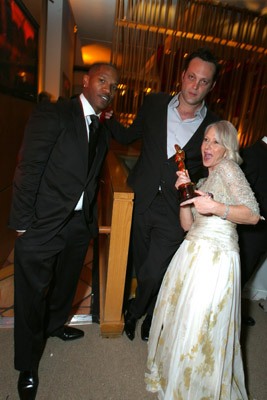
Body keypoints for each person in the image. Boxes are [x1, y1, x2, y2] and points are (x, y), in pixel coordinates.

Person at [8, 62, 119, 400]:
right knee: (30, 297)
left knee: (67, 283)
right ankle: (27, 365)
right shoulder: (53, 114)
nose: (108, 89)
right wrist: (23, 225)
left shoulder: (101, 126)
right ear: (85, 81)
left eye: (114, 86)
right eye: (102, 80)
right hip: (43, 222)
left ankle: (55, 326)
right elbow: (28, 169)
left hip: (76, 224)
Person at [106, 47, 221, 341]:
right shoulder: (155, 103)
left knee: (154, 271)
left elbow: (215, 169)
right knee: (141, 264)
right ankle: (151, 312)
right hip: (140, 199)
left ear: (212, 86)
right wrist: (105, 118)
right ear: (182, 76)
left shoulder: (214, 126)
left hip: (176, 210)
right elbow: (130, 135)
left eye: (203, 81)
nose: (195, 86)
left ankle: (137, 312)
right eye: (192, 77)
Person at [145, 120, 260, 399]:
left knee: (201, 323)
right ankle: (183, 382)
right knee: (185, 321)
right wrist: (184, 195)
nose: (207, 146)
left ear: (227, 149)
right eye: (205, 140)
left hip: (215, 259)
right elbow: (187, 225)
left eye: (215, 142)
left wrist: (216, 207)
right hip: (193, 254)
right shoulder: (206, 179)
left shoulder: (229, 169)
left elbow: (253, 214)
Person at [238, 136, 267, 325]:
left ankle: (234, 315)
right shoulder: (252, 154)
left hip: (261, 234)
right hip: (250, 234)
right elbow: (240, 197)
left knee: (244, 277)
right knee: (237, 277)